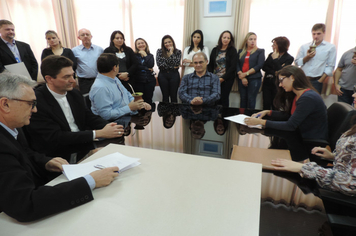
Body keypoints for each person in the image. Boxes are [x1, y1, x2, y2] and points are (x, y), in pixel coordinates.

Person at [0, 72, 119, 222]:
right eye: (31, 104)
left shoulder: (12, 126)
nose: (35, 110)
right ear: (5, 104)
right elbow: (25, 204)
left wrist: (45, 162)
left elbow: (25, 152)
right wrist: (90, 181)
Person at [26, 55, 124, 158]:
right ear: (49, 79)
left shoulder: (74, 93)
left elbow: (87, 116)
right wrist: (98, 133)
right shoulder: (36, 101)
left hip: (81, 147)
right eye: (66, 77)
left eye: (73, 75)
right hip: (56, 156)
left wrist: (111, 127)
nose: (73, 80)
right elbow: (55, 137)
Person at [244, 65, 328, 141]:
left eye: (281, 80)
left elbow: (290, 125)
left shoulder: (307, 98)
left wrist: (260, 122)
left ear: (292, 77)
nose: (280, 85)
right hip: (301, 135)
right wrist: (267, 112)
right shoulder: (299, 94)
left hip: (310, 141)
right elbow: (290, 116)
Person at [271, 122, 356, 196]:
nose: (354, 102)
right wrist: (333, 156)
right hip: (333, 176)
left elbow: (351, 184)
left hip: (339, 193)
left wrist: (304, 168)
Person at [90, 53, 151, 122]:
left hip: (125, 117)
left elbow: (127, 94)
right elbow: (106, 115)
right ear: (114, 68)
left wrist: (138, 103)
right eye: (118, 65)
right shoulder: (100, 87)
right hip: (112, 124)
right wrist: (130, 108)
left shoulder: (114, 78)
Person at [295, 23, 336, 94]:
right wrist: (307, 58)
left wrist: (321, 80)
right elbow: (297, 62)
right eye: (314, 34)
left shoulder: (330, 47)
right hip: (302, 79)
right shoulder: (304, 46)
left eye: (318, 34)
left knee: (314, 102)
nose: (316, 36)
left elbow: (330, 66)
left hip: (317, 80)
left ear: (324, 33)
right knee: (300, 100)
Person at [262, 36, 294, 110]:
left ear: (280, 46)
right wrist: (274, 72)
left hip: (278, 84)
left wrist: (276, 59)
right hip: (267, 82)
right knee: (266, 104)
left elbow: (282, 71)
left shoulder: (289, 58)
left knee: (275, 104)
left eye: (274, 45)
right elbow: (264, 67)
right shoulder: (271, 54)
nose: (272, 46)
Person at [208, 30, 237, 107]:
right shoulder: (215, 50)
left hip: (227, 79)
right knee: (215, 98)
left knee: (224, 98)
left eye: (228, 38)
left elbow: (233, 67)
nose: (226, 39)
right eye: (224, 37)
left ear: (230, 40)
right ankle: (216, 117)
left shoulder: (232, 50)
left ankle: (224, 117)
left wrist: (223, 78)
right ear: (221, 38)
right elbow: (210, 65)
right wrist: (212, 77)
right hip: (215, 79)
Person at [236, 32, 265, 109]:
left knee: (251, 99)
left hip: (254, 78)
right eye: (251, 39)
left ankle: (250, 118)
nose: (253, 41)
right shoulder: (240, 51)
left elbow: (259, 65)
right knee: (243, 99)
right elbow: (237, 64)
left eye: (255, 39)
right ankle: (241, 118)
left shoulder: (260, 51)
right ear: (246, 41)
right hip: (241, 78)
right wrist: (242, 76)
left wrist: (245, 74)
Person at [72, 28, 103, 94]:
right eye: (83, 35)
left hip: (98, 79)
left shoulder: (99, 49)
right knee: (87, 100)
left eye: (87, 34)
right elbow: (73, 66)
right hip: (84, 81)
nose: (85, 36)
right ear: (79, 37)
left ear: (91, 36)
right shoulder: (74, 51)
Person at [156, 35, 182, 103]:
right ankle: (165, 113)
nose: (167, 44)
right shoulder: (159, 51)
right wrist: (172, 65)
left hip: (174, 75)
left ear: (172, 42)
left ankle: (174, 113)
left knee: (174, 96)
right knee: (165, 96)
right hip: (163, 75)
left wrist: (171, 54)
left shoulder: (178, 52)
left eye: (169, 42)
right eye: (165, 43)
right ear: (163, 44)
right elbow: (160, 65)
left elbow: (176, 63)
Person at [134, 38, 156, 105]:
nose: (141, 45)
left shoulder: (150, 56)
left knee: (148, 100)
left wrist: (145, 55)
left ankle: (149, 115)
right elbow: (136, 67)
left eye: (142, 43)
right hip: (138, 81)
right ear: (136, 46)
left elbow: (151, 65)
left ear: (145, 44)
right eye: (139, 43)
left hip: (149, 81)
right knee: (140, 101)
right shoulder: (134, 56)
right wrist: (147, 68)